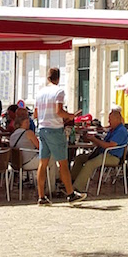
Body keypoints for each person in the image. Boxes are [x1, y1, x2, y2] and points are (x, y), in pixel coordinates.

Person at [33, 68, 82, 205]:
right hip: (54, 129)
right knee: (63, 163)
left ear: (48, 78)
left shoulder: (39, 93)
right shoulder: (58, 91)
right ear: (58, 78)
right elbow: (59, 111)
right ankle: (70, 194)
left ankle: (41, 196)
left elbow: (35, 115)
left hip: (42, 129)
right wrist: (71, 116)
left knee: (43, 164)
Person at [69, 107, 128, 196]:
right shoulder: (113, 130)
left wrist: (95, 140)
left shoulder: (121, 131)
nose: (108, 122)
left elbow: (108, 145)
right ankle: (71, 182)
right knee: (80, 158)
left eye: (110, 119)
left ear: (117, 119)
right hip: (103, 153)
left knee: (90, 163)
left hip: (113, 157)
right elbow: (104, 143)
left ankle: (77, 188)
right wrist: (92, 139)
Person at [8, 107, 40, 177]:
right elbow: (40, 147)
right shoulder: (29, 133)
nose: (29, 124)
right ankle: (51, 183)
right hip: (28, 162)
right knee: (50, 158)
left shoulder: (13, 134)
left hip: (16, 163)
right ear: (20, 123)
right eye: (26, 122)